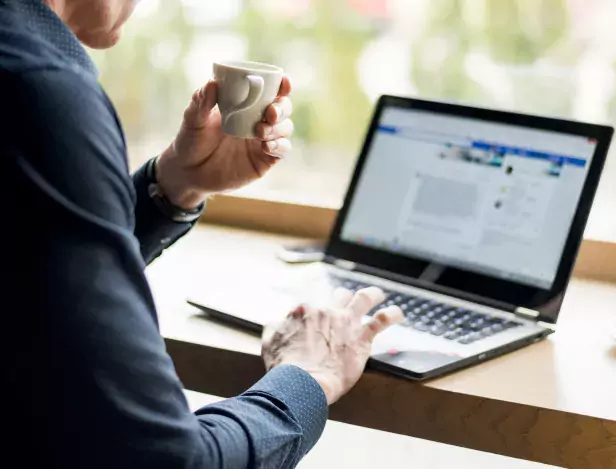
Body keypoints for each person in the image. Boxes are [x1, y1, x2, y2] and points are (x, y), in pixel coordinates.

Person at [0, 1, 403, 468]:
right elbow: (167, 461)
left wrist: (173, 184)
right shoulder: (37, 91)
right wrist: (309, 376)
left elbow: (24, 258)